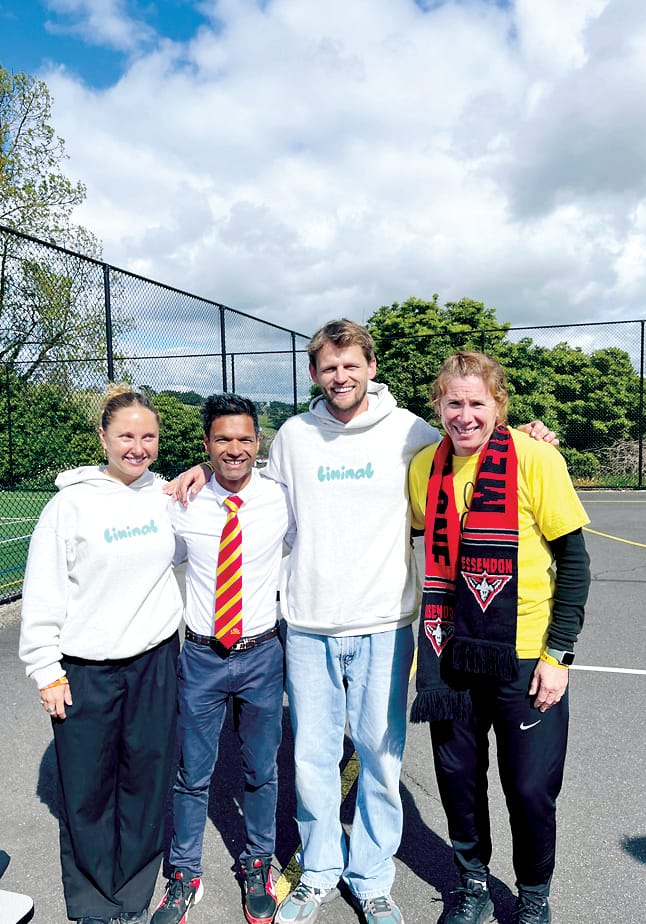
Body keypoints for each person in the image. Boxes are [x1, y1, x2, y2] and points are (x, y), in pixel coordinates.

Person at [177, 321, 555, 924]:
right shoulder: (296, 437)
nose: (341, 377)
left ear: (371, 366)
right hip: (306, 625)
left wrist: (532, 436)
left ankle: (372, 876)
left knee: (380, 758)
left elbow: (474, 443)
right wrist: (199, 477)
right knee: (313, 758)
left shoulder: (409, 430)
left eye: (351, 365)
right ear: (313, 375)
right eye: (329, 368)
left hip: (384, 622)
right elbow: (251, 485)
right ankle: (319, 870)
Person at [408, 352, 591, 924]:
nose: (465, 415)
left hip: (525, 657)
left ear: (498, 407)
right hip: (451, 651)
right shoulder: (422, 468)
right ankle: (472, 886)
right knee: (460, 782)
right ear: (438, 405)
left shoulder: (536, 459)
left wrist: (558, 656)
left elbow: (576, 565)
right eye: (453, 402)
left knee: (530, 789)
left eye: (476, 403)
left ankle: (533, 895)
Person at [19, 385, 184, 924]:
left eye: (148, 436)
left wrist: (200, 474)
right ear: (104, 438)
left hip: (155, 662)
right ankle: (93, 902)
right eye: (126, 436)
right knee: (88, 789)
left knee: (144, 781)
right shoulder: (70, 505)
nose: (137, 447)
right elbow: (44, 592)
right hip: (85, 668)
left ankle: (132, 896)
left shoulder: (165, 496)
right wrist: (47, 670)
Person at [151, 394, 294, 924]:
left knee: (261, 769)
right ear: (206, 445)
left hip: (262, 653)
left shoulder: (281, 499)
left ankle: (257, 861)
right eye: (222, 439)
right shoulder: (182, 503)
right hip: (203, 656)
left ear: (258, 443)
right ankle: (184, 874)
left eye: (244, 439)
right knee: (192, 772)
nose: (234, 449)